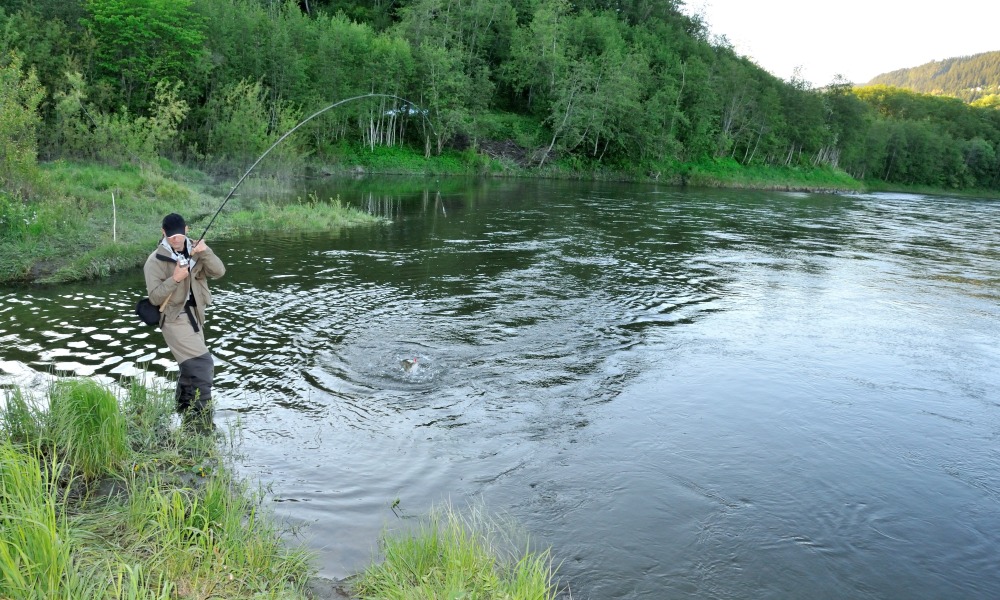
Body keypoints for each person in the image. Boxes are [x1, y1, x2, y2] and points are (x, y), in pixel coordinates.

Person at [143, 213, 226, 426]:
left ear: (186, 230)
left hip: (195, 315)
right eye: (171, 237)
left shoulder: (197, 249)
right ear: (163, 233)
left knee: (189, 368)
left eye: (179, 235)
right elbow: (155, 297)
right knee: (202, 365)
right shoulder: (154, 261)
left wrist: (205, 252)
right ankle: (203, 421)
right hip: (172, 318)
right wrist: (175, 279)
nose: (176, 240)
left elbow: (219, 271)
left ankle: (183, 412)